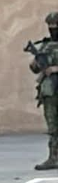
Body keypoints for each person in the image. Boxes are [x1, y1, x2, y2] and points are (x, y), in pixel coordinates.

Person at [31, 12, 58, 171]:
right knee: (53, 127)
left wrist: (55, 69)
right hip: (50, 92)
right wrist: (37, 61)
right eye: (50, 27)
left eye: (55, 27)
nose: (52, 30)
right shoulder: (45, 45)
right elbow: (34, 69)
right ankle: (54, 157)